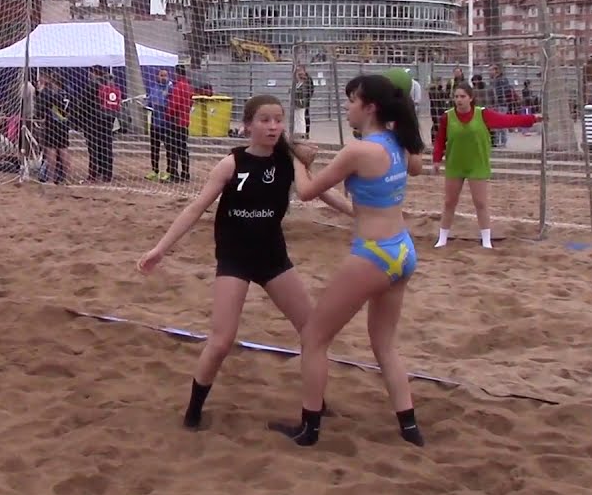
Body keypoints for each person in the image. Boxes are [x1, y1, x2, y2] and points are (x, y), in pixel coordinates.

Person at [138, 95, 353, 429]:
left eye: (277, 120)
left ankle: (316, 403)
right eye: (264, 120)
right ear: (248, 125)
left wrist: (358, 213)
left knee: (313, 332)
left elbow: (323, 192)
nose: (272, 126)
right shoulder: (231, 163)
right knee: (222, 340)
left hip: (273, 258)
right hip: (235, 258)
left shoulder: (288, 160)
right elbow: (196, 208)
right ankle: (194, 409)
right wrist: (160, 249)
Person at [270, 74, 427, 448]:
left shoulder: (359, 151)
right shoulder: (399, 143)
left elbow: (306, 191)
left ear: (369, 107)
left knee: (314, 337)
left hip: (373, 253)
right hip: (403, 250)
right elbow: (415, 166)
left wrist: (297, 158)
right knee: (384, 345)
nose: (346, 107)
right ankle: (410, 429)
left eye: (351, 101)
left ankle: (309, 428)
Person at [432, 83, 541, 249]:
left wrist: (532, 119)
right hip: (455, 164)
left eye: (462, 96)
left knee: (480, 203)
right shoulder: (448, 116)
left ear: (471, 98)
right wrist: (436, 159)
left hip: (477, 164)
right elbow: (440, 139)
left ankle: (486, 240)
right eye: (456, 96)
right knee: (449, 202)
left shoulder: (482, 114)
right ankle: (442, 238)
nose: (459, 100)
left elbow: (507, 120)